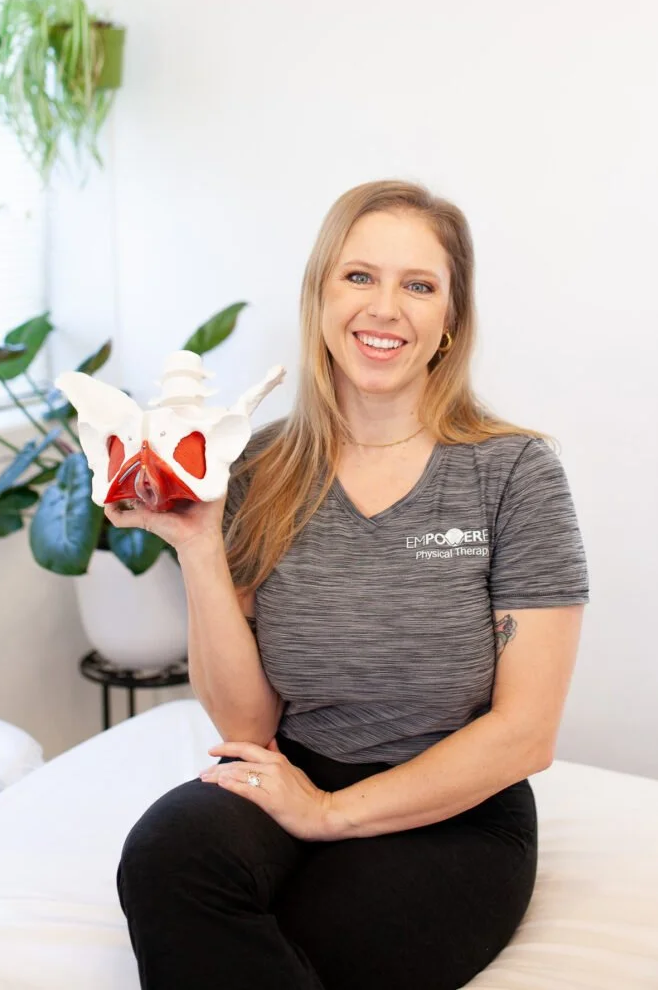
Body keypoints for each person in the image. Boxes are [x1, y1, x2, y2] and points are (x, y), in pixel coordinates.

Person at [107, 178, 590, 990]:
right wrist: (197, 548)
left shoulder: (513, 473)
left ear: (450, 318)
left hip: (457, 810)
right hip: (293, 768)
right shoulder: (258, 467)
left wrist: (330, 815)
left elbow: (524, 734)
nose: (384, 308)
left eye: (418, 285)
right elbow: (246, 724)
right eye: (359, 276)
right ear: (320, 296)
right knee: (165, 856)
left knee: (323, 940)